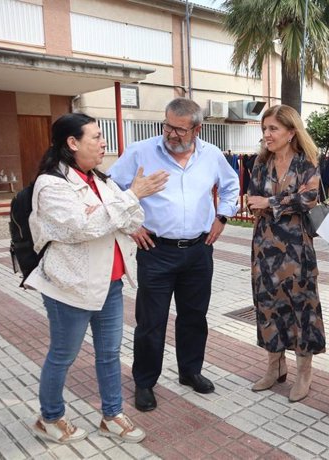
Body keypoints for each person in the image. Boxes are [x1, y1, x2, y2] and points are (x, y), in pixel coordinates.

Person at [26, 113, 168, 444]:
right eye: (96, 137)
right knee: (63, 354)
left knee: (109, 353)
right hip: (70, 287)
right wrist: (127, 198)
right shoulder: (51, 184)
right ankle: (49, 418)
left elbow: (132, 219)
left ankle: (112, 415)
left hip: (110, 283)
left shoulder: (99, 181)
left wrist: (120, 205)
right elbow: (82, 227)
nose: (104, 143)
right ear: (72, 143)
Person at [109, 98, 240, 412]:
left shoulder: (211, 155)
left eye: (180, 129)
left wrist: (222, 217)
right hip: (155, 251)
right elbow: (110, 187)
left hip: (198, 251)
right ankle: (144, 382)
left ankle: (190, 371)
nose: (171, 134)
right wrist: (130, 225)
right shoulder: (141, 152)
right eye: (167, 126)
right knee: (150, 322)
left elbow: (231, 185)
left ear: (197, 128)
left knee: (194, 317)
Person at [247, 104, 325, 402]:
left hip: (296, 246)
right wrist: (272, 203)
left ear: (291, 132)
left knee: (301, 306)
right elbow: (253, 200)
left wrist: (269, 203)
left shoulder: (306, 162)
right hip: (265, 245)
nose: (267, 134)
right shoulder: (260, 163)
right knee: (268, 304)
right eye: (264, 129)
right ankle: (274, 367)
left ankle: (304, 372)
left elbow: (308, 197)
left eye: (273, 129)